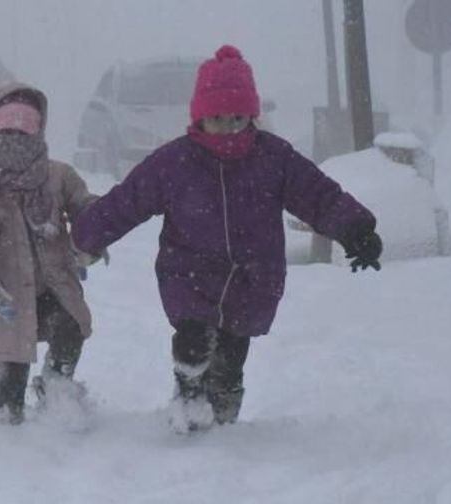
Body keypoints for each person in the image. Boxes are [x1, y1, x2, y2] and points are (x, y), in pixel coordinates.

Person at [71, 45, 383, 433]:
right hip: (189, 274)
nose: (229, 129)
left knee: (231, 360)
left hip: (252, 280)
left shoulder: (273, 158)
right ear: (200, 119)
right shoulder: (176, 162)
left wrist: (355, 229)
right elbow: (128, 200)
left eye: (238, 119)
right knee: (192, 341)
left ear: (252, 116)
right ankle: (188, 396)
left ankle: (222, 426)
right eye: (218, 119)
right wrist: (87, 234)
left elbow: (318, 195)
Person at [0, 82, 99, 425]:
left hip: (55, 288)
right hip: (6, 296)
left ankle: (57, 393)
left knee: (70, 329)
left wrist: (93, 232)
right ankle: (10, 426)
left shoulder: (58, 177)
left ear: (39, 131)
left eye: (24, 131)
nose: (14, 141)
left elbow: (86, 210)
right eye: (5, 132)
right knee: (12, 361)